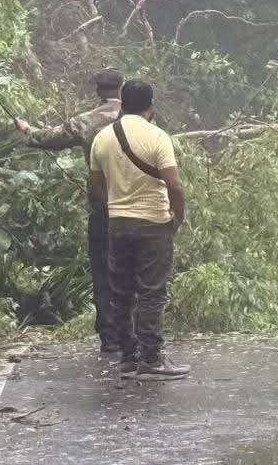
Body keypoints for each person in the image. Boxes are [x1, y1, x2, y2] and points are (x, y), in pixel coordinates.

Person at [15, 70, 124, 354]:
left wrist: (27, 130)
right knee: (135, 270)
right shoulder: (140, 118)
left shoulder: (87, 121)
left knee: (103, 270)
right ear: (122, 88)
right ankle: (135, 332)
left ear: (98, 91)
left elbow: (49, 138)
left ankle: (110, 336)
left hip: (103, 207)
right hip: (138, 208)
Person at [89, 79, 189, 381]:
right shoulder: (157, 137)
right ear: (151, 107)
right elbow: (174, 185)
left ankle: (129, 359)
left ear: (122, 103)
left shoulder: (102, 138)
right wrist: (177, 217)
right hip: (153, 224)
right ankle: (152, 358)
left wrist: (113, 211)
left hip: (118, 224)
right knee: (151, 292)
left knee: (121, 293)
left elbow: (95, 188)